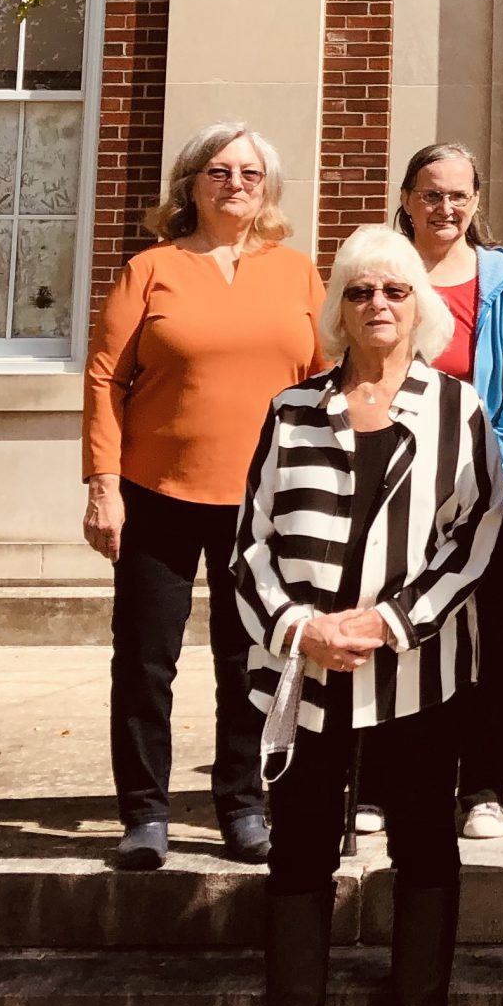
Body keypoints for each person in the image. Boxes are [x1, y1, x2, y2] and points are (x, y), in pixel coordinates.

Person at [229, 227, 503, 1006]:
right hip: (307, 674)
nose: (378, 305)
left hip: (416, 673)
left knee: (425, 848)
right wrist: (300, 630)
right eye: (359, 292)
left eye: (394, 290)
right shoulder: (291, 409)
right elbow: (250, 546)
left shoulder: (456, 408)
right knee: (301, 854)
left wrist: (391, 622)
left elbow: (478, 539)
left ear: (419, 306)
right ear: (338, 308)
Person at [83, 121, 324, 872]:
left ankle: (243, 806)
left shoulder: (298, 273)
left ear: (268, 189)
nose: (236, 185)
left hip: (264, 503)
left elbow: (322, 385)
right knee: (146, 659)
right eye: (220, 171)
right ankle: (144, 815)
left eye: (251, 174)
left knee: (247, 659)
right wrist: (103, 485)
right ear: (192, 182)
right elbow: (103, 378)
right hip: (157, 492)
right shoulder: (150, 269)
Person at [393, 142, 503, 840]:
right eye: (431, 193)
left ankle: (488, 786)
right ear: (406, 199)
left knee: (494, 637)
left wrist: (492, 472)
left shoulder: (502, 279)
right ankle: (383, 783)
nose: (444, 208)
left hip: (489, 494)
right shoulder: (383, 270)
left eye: (458, 195)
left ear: (477, 202)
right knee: (397, 630)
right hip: (394, 491)